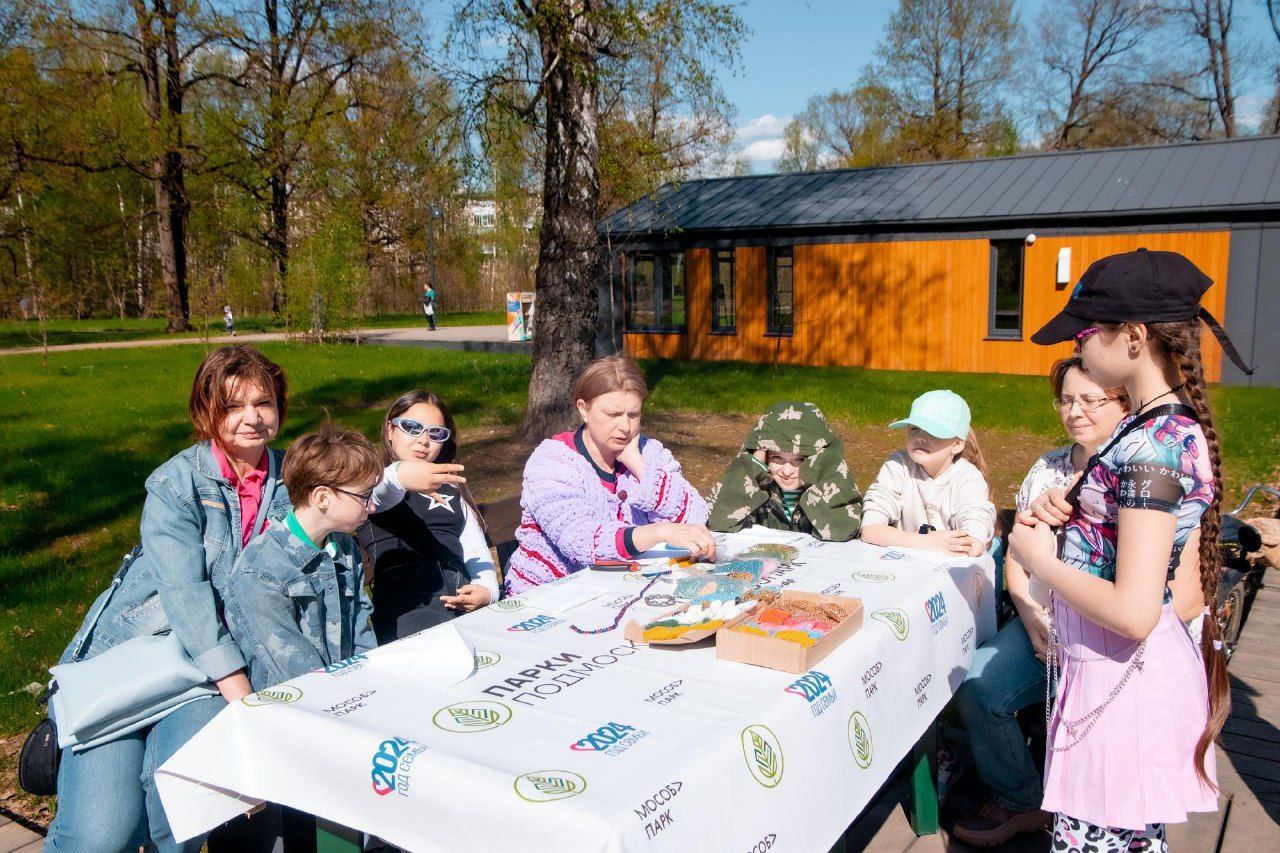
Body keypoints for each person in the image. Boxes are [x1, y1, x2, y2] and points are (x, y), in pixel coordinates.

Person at [1009, 248, 1251, 850]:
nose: (1079, 349)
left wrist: (1042, 561)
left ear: (1134, 337)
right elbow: (1122, 532)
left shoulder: (1153, 448)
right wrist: (1064, 516)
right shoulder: (1146, 428)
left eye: (1086, 333)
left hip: (1122, 682)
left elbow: (1135, 611)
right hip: (1106, 674)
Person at [46, 345, 290, 852]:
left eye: (262, 402)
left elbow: (353, 490)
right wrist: (240, 689)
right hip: (137, 659)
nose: (251, 418)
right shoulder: (176, 482)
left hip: (208, 679)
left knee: (175, 821)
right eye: (232, 406)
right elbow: (185, 594)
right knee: (99, 834)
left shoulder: (293, 478)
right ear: (206, 412)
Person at [505, 354, 714, 596]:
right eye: (613, 415)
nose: (625, 427)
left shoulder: (649, 452)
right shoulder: (552, 462)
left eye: (633, 415)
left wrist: (638, 464)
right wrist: (661, 531)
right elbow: (582, 543)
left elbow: (697, 515)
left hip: (627, 590)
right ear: (584, 409)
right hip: (550, 596)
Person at [223, 425, 378, 688]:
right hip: (293, 704)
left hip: (351, 690)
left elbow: (360, 629)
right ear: (322, 498)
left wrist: (371, 683)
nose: (372, 505)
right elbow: (297, 673)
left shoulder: (345, 548)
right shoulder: (260, 573)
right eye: (364, 496)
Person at [358, 391, 497, 643]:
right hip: (408, 606)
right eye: (412, 428)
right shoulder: (370, 483)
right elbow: (380, 493)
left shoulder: (451, 490)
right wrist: (401, 474)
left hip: (460, 602)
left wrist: (487, 589)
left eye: (436, 433)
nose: (423, 440)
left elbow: (474, 547)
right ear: (390, 430)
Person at [859, 389, 995, 557]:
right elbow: (870, 530)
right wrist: (928, 542)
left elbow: (972, 544)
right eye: (915, 428)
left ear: (957, 444)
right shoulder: (897, 466)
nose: (920, 437)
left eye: (933, 431)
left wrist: (898, 539)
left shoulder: (969, 479)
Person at [707, 401, 863, 541]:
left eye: (800, 459)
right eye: (777, 458)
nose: (787, 471)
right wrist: (752, 466)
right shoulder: (759, 488)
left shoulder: (837, 485)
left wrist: (820, 471)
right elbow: (718, 521)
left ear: (820, 458)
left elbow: (842, 531)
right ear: (765, 457)